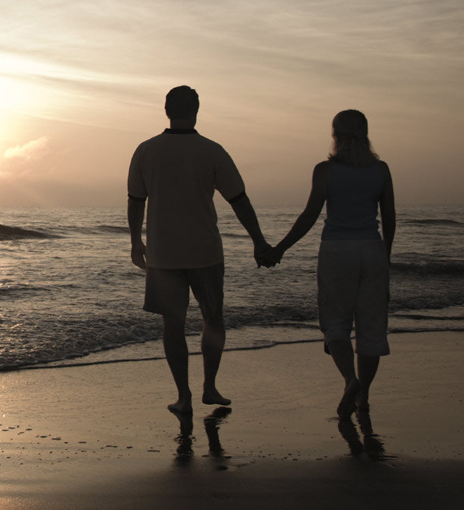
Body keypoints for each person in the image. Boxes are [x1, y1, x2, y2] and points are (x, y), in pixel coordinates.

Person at [127, 85, 271, 415]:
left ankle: (184, 395)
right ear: (197, 110)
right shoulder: (211, 150)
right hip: (205, 250)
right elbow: (239, 200)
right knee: (213, 318)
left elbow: (136, 202)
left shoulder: (146, 151)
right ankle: (210, 386)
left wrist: (135, 242)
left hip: (164, 255)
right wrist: (258, 240)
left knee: (172, 325)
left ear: (166, 110)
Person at [261, 109, 396, 417]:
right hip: (372, 249)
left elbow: (309, 216)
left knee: (335, 321)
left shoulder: (325, 170)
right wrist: (384, 258)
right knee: (371, 327)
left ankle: (350, 380)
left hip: (336, 250)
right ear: (366, 135)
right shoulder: (381, 170)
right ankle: (363, 395)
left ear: (335, 135)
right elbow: (389, 218)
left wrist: (280, 248)